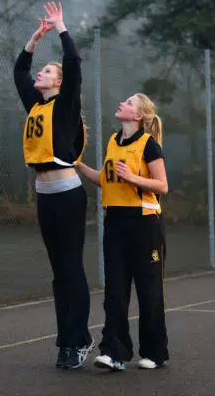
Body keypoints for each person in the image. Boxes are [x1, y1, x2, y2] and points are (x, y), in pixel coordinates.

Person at [13, 1, 93, 370]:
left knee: (72, 267)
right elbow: (19, 71)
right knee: (58, 272)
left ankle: (77, 340)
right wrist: (33, 38)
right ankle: (66, 340)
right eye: (41, 71)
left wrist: (61, 26)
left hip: (68, 194)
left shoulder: (64, 105)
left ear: (58, 82)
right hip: (45, 195)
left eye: (46, 71)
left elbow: (74, 64)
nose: (39, 75)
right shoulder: (35, 105)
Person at [77, 93, 169, 371]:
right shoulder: (112, 142)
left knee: (148, 290)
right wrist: (78, 166)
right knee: (115, 291)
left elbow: (162, 185)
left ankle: (154, 351)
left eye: (129, 103)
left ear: (139, 116)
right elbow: (106, 182)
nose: (122, 104)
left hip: (144, 223)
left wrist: (132, 177)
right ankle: (114, 351)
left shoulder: (148, 145)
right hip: (115, 221)